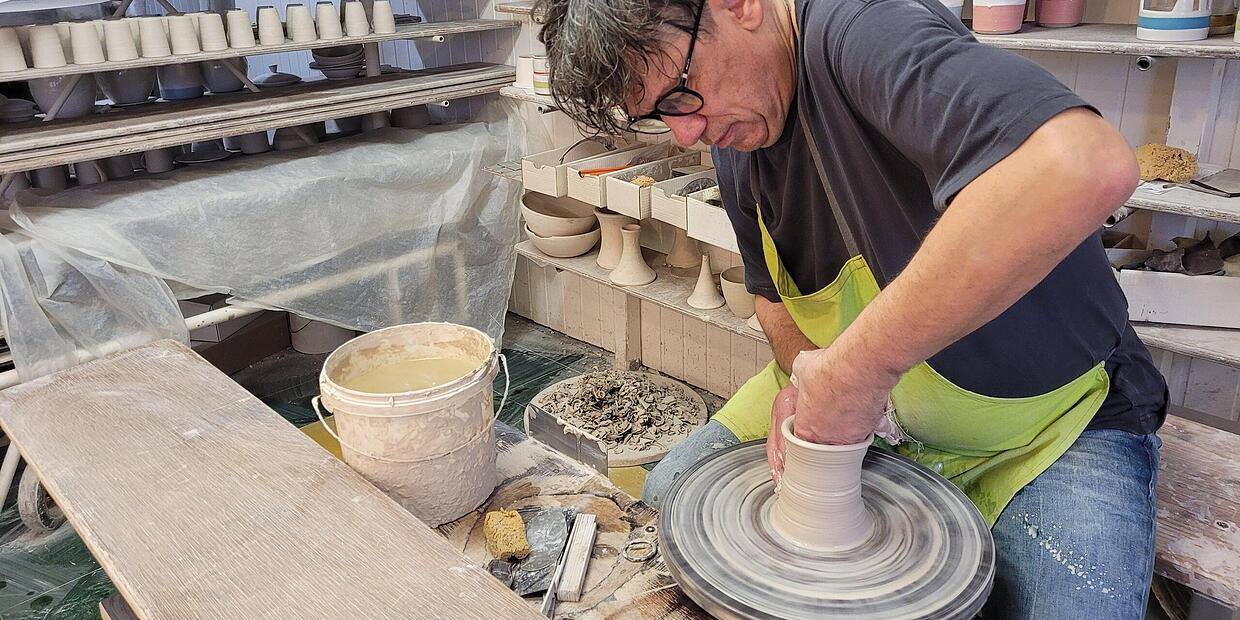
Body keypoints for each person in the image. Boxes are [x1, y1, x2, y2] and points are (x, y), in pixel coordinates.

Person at [536, 0, 1168, 616]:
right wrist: (807, 376)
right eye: (659, 115)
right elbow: (769, 294)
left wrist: (856, 374)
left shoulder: (862, 27)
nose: (685, 131)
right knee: (668, 494)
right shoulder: (736, 134)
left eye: (680, 92)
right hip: (868, 414)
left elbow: (1080, 164)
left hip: (1046, 428)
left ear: (740, 6)